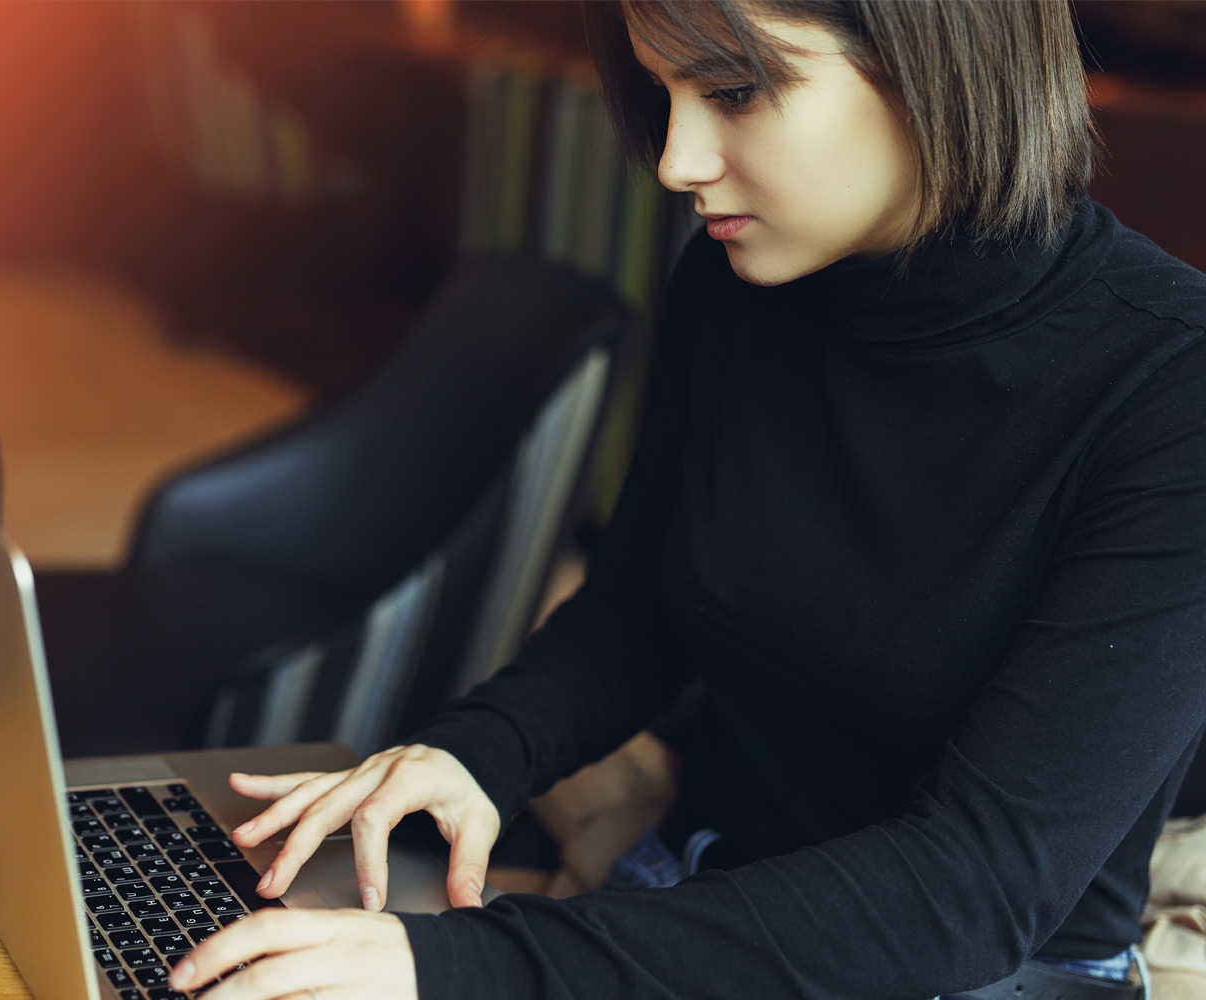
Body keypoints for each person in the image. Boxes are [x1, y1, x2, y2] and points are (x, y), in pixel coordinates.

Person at [169, 1, 1206, 997]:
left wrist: (453, 966)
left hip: (962, 971)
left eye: (738, 89)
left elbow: (973, 889)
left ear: (937, 60)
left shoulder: (1168, 387)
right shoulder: (740, 278)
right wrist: (470, 754)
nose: (675, 162)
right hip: (682, 900)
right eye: (662, 91)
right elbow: (636, 613)